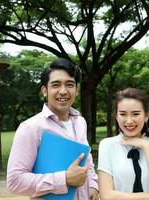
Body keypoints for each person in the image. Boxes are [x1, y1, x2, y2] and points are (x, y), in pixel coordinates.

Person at [7, 58, 99, 199]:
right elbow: (14, 181)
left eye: (69, 84)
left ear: (77, 89)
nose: (63, 91)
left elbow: (87, 159)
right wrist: (64, 179)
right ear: (45, 90)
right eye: (56, 85)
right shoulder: (31, 128)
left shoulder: (80, 122)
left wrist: (93, 184)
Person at [98, 87, 149, 200]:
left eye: (135, 114)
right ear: (116, 116)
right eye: (123, 114)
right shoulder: (107, 145)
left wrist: (146, 146)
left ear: (146, 115)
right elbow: (106, 195)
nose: (129, 120)